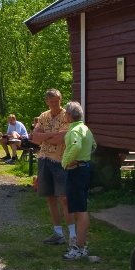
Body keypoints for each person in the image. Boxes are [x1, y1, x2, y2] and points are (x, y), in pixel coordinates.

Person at [31, 88, 71, 244]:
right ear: (47, 101)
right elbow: (35, 138)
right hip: (44, 159)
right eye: (52, 101)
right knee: (50, 197)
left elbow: (60, 139)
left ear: (61, 100)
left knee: (64, 198)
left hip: (60, 161)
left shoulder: (67, 116)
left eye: (57, 101)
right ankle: (58, 233)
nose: (55, 104)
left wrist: (44, 136)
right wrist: (51, 135)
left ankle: (73, 235)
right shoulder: (44, 116)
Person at [60, 101, 96, 261]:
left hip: (76, 171)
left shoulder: (74, 130)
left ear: (69, 115)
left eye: (65, 114)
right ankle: (80, 245)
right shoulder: (85, 128)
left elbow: (75, 146)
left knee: (80, 210)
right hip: (85, 169)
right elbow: (94, 145)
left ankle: (79, 248)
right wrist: (85, 157)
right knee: (79, 206)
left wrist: (66, 162)